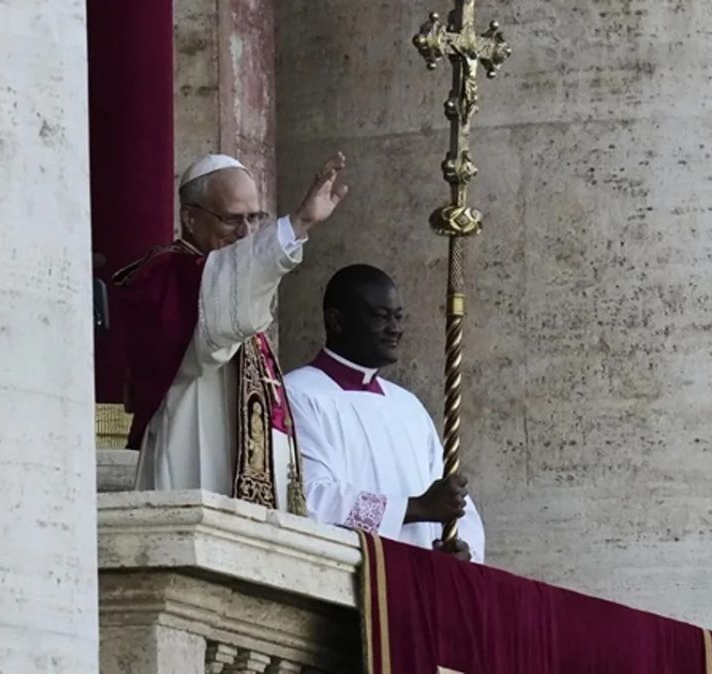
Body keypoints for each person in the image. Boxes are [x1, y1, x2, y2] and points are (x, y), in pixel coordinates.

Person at [114, 152, 348, 516]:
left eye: (254, 218)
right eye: (231, 219)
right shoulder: (166, 278)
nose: (246, 233)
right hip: (195, 463)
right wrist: (297, 223)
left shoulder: (231, 281)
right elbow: (220, 308)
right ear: (189, 218)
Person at [284, 265, 485, 562]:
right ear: (336, 321)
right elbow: (309, 499)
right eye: (380, 316)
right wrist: (414, 508)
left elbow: (452, 499)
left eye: (398, 316)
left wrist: (460, 544)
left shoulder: (407, 406)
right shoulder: (295, 394)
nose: (395, 328)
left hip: (423, 578)